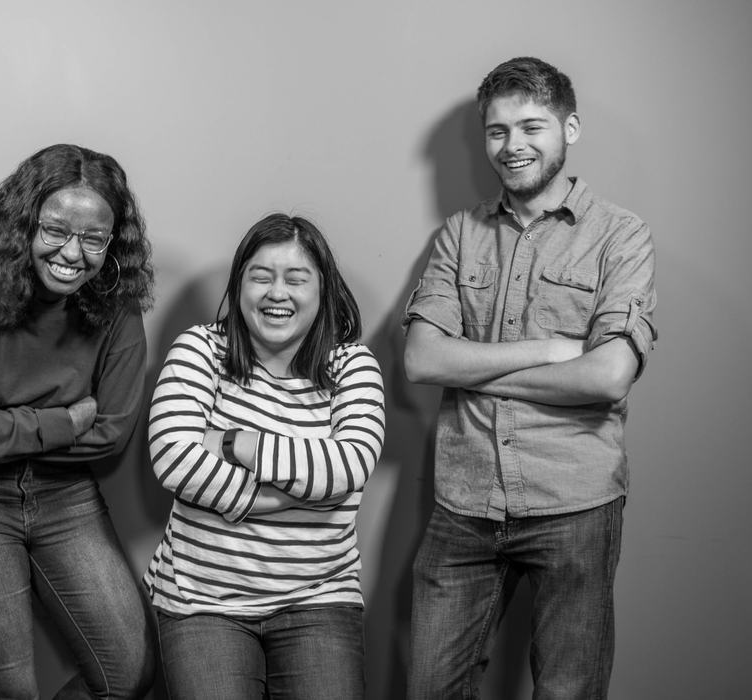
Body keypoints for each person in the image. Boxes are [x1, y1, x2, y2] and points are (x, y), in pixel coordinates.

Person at [403, 57, 658, 699]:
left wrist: (471, 369)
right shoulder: (459, 235)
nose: (512, 145)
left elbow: (608, 377)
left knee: (569, 691)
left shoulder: (621, 236)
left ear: (569, 129)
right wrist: (547, 350)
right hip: (464, 501)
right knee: (431, 688)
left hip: (575, 503)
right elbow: (422, 360)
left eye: (531, 127)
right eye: (497, 131)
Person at [0, 144, 156, 699]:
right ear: (25, 224)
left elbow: (111, 430)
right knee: (11, 692)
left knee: (130, 672)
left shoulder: (118, 306)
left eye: (94, 239)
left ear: (113, 243)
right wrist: (64, 421)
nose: (72, 253)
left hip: (65, 496)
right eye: (55, 230)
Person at [144, 213, 385, 699]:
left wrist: (234, 442)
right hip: (202, 599)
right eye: (261, 277)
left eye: (296, 279)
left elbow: (349, 467)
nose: (278, 293)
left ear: (323, 290)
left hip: (319, 596)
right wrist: (294, 495)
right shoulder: (200, 349)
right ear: (239, 286)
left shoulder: (353, 364)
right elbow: (173, 456)